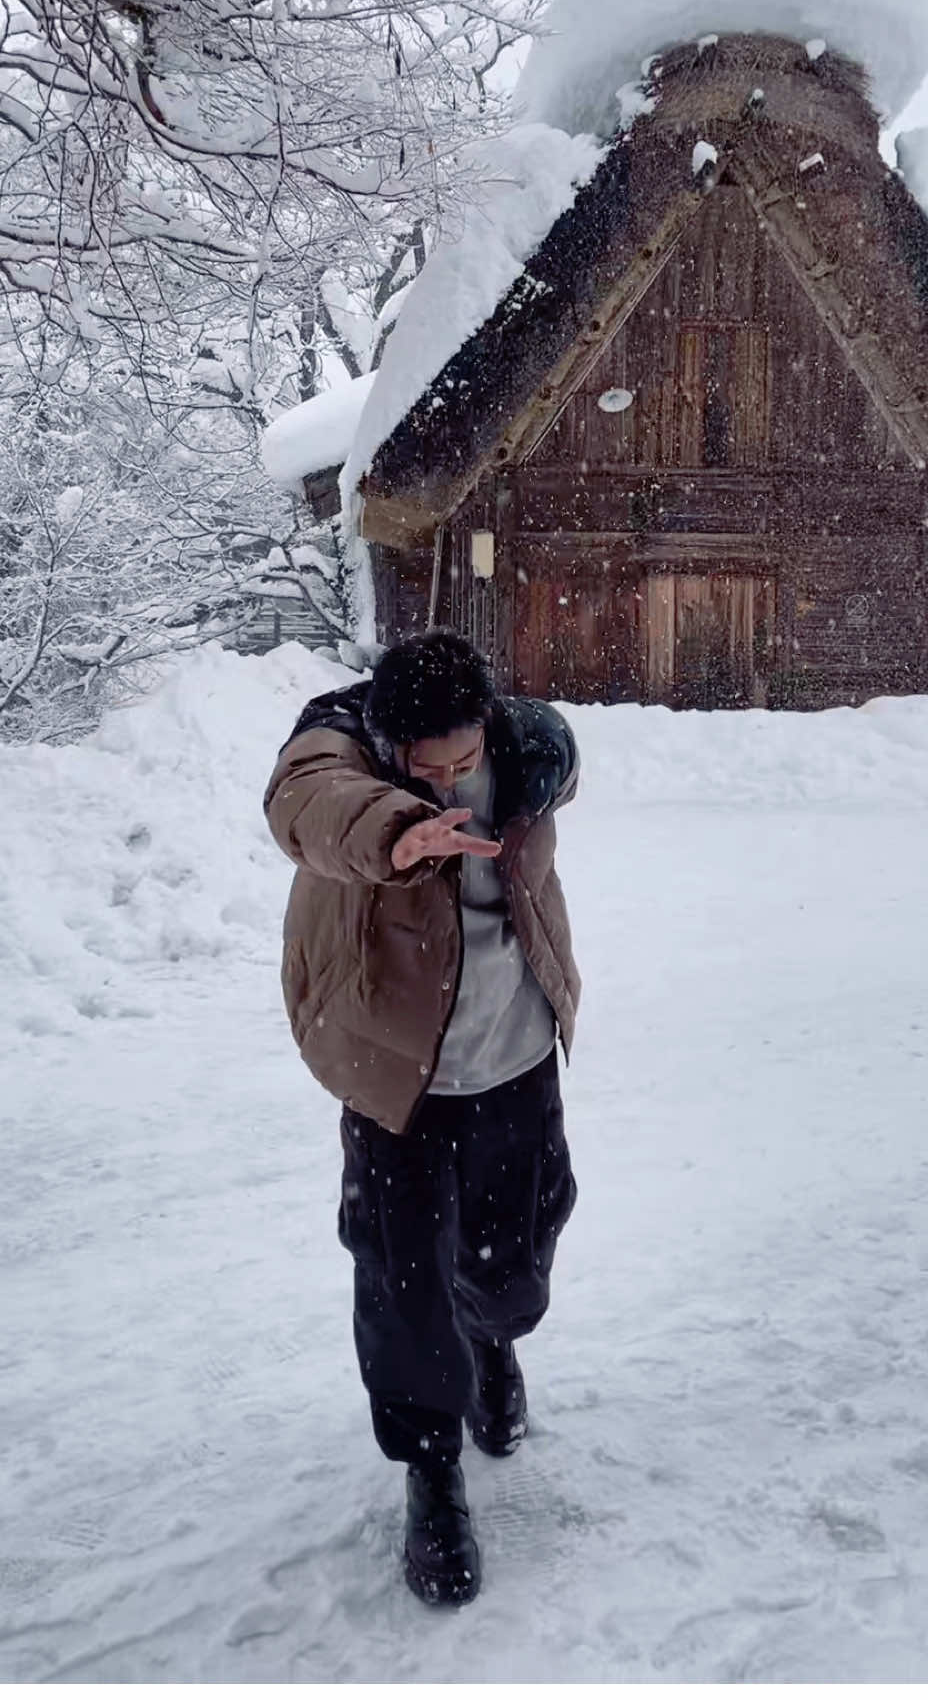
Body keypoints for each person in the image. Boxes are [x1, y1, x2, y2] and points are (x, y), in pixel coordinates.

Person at [263, 630, 581, 1606]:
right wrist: (398, 832)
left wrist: (554, 764)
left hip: (516, 1056)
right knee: (402, 1282)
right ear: (386, 742)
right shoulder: (338, 751)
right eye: (422, 767)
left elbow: (558, 756)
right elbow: (307, 806)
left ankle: (493, 1343)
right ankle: (430, 1471)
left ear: (486, 726)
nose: (446, 782)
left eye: (461, 763)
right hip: (397, 1076)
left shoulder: (519, 750)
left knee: (517, 1257)